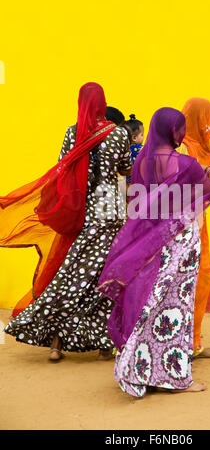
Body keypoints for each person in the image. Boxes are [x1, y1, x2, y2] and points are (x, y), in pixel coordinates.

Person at [1, 82, 132, 361]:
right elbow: (124, 169)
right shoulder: (119, 134)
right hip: (109, 209)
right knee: (108, 274)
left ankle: (56, 344)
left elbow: (62, 168)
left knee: (69, 274)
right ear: (102, 103)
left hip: (78, 210)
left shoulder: (72, 133)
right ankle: (105, 345)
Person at [96, 107, 210, 398]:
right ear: (175, 131)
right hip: (180, 243)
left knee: (150, 302)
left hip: (152, 245)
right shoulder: (187, 165)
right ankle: (176, 376)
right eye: (181, 128)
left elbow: (140, 202)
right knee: (176, 306)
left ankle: (141, 368)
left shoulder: (142, 162)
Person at [178, 97, 210, 358]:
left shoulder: (202, 149)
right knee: (187, 280)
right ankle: (180, 344)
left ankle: (194, 341)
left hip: (199, 223)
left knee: (202, 276)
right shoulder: (184, 147)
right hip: (184, 226)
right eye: (209, 120)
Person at [123, 114, 144, 184]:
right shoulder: (140, 148)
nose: (143, 137)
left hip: (126, 178)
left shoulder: (123, 148)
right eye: (142, 135)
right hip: (138, 178)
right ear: (134, 138)